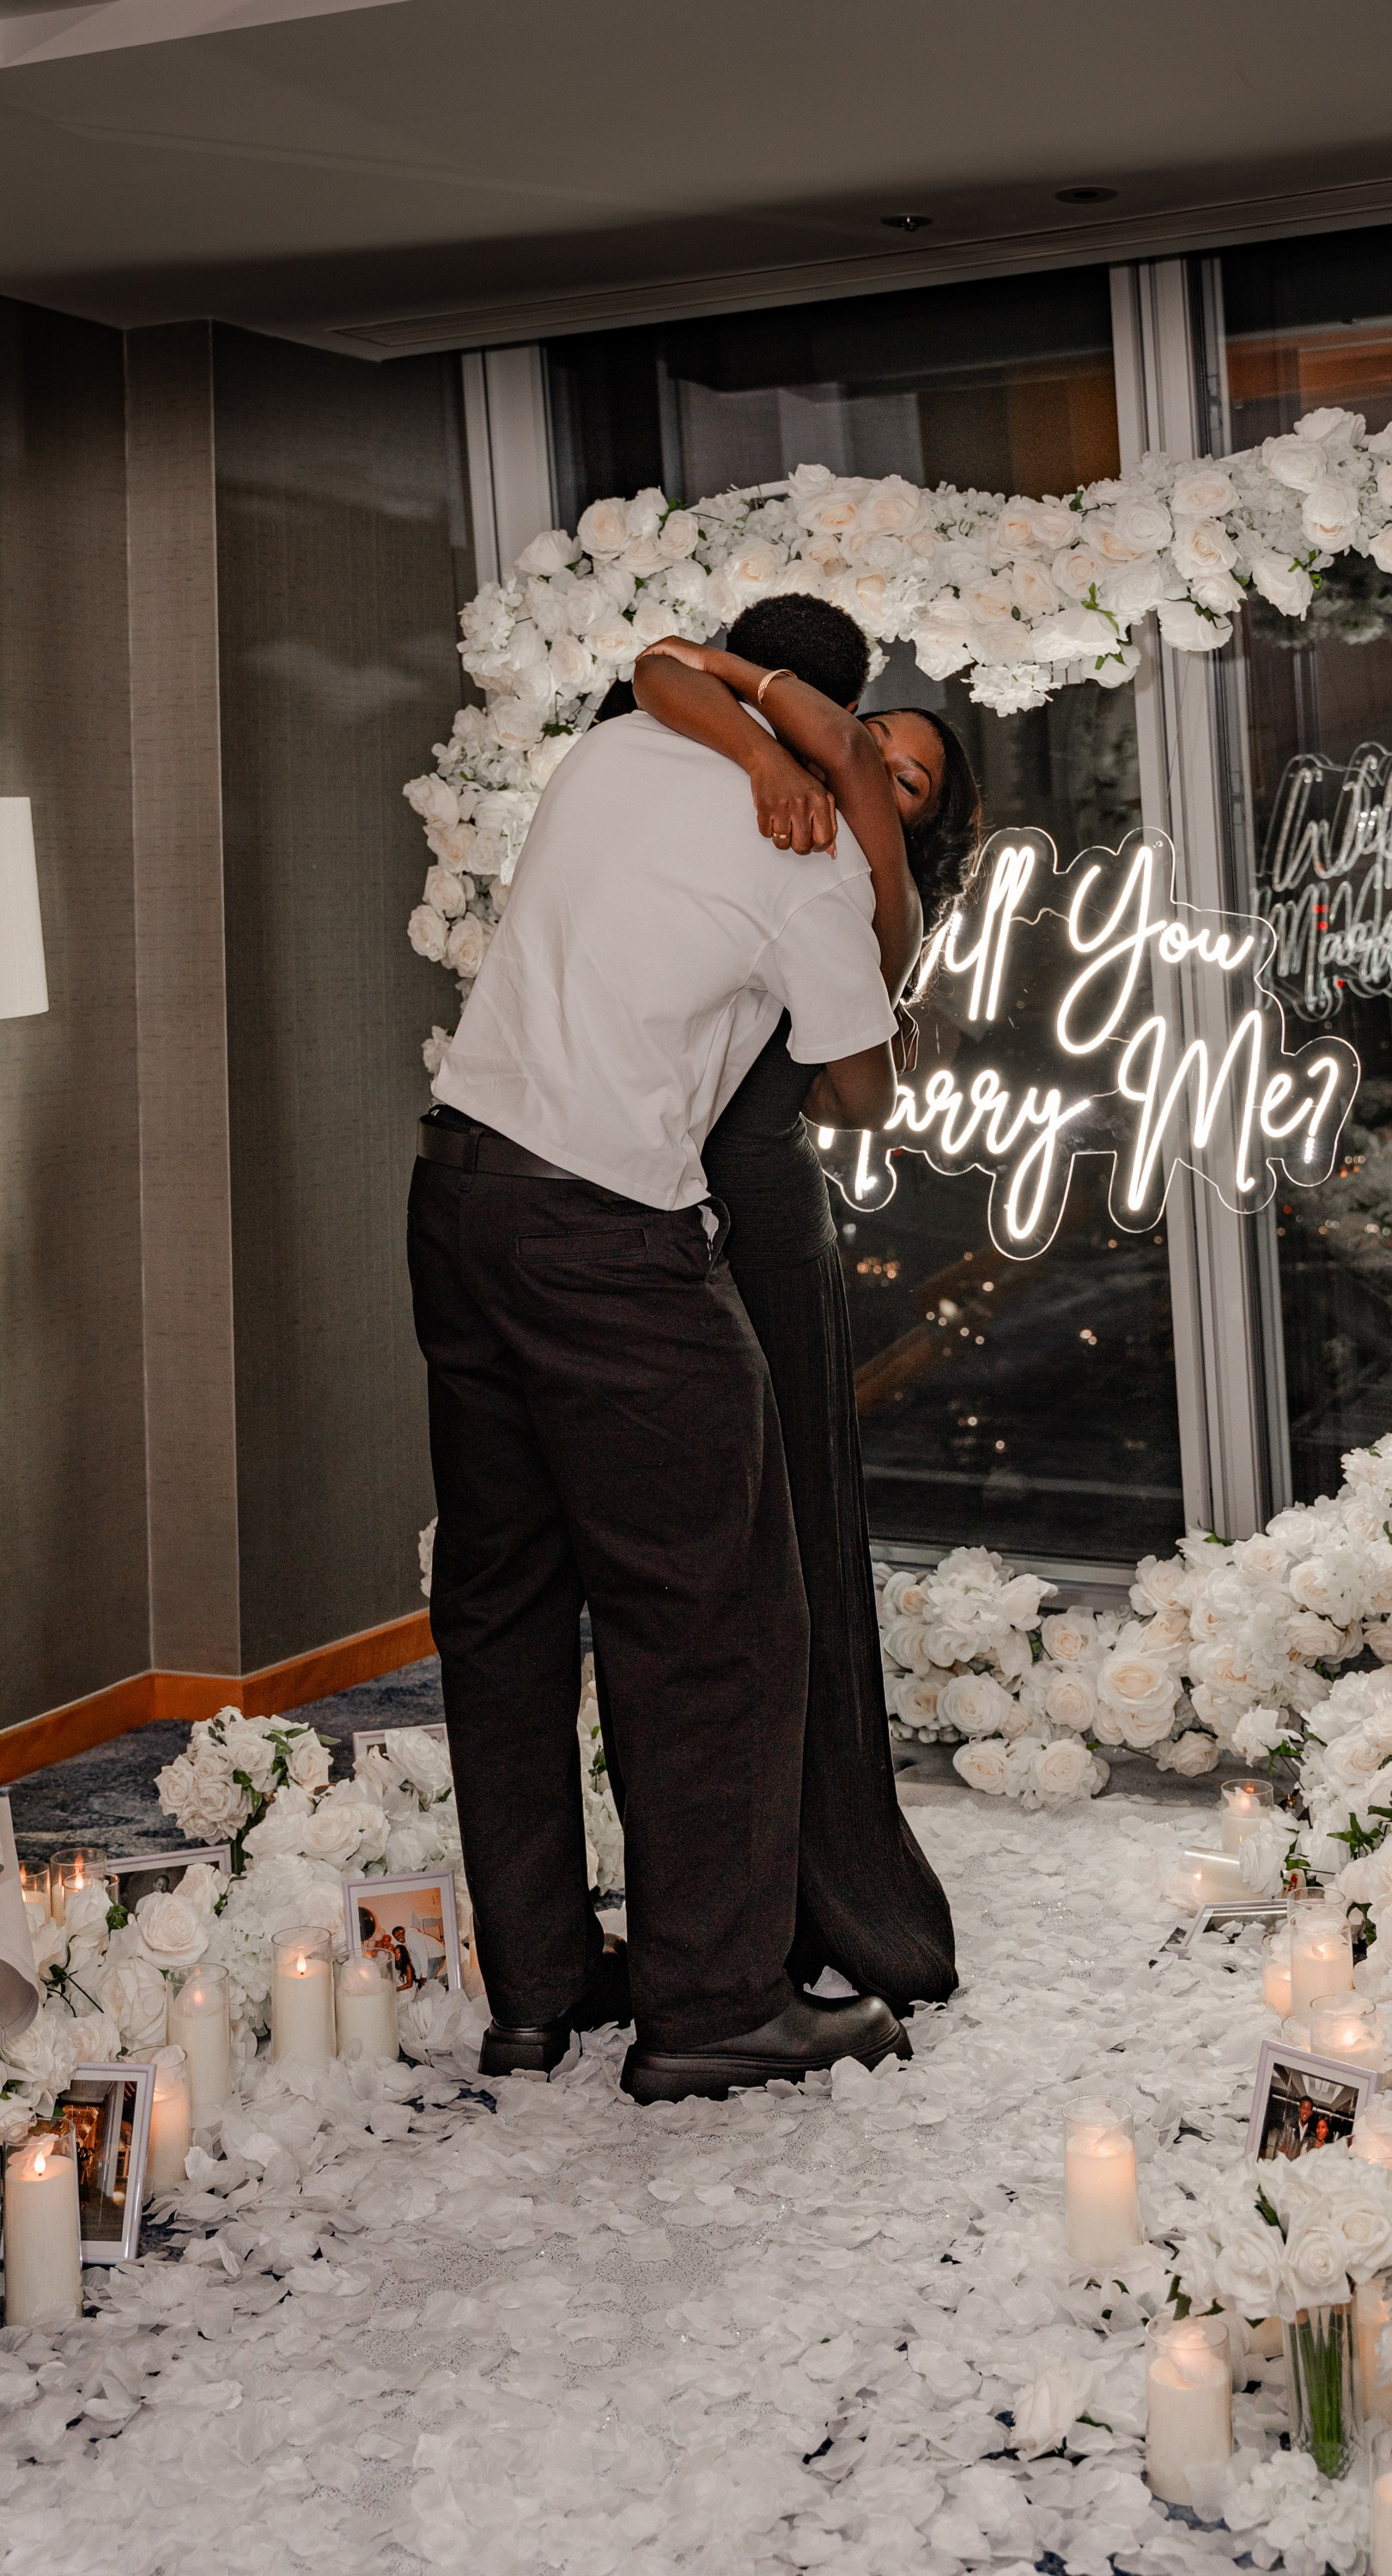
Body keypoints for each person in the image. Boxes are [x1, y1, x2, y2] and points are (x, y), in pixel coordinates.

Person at [410, 612, 921, 2101]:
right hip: (609, 1233)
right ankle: (710, 2004)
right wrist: (863, 847)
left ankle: (539, 1990)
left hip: (457, 1189)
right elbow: (860, 1089)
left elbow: (654, 658)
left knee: (502, 1599)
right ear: (849, 723)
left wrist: (765, 724)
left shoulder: (611, 750)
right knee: (720, 1612)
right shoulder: (811, 856)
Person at [631, 604, 982, 2011]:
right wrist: (783, 735)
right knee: (707, 1556)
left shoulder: (871, 894)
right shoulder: (752, 817)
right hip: (649, 1194)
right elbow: (656, 669)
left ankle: (820, 1881)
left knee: (793, 1549)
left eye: (901, 778)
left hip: (763, 1219)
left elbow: (853, 1089)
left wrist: (831, 779)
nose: (867, 775)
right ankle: (725, 1892)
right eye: (866, 746)